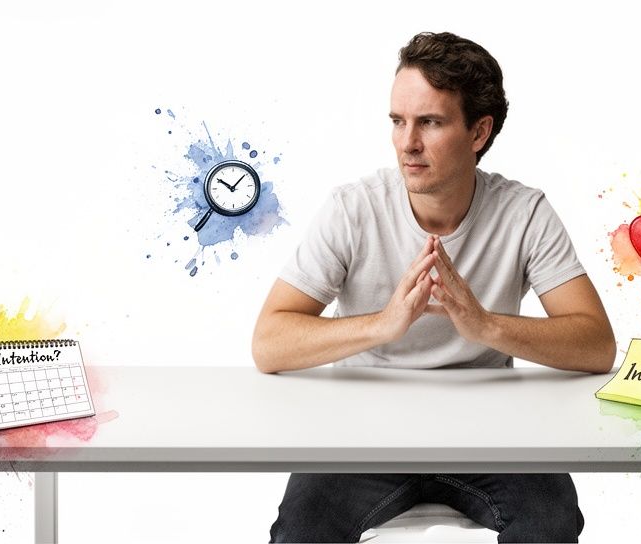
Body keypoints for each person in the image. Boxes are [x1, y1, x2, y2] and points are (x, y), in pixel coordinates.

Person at [252, 31, 616, 543]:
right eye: (398, 121)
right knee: (302, 530)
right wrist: (383, 325)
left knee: (550, 522)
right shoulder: (353, 209)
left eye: (431, 122)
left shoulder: (524, 212)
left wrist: (484, 325)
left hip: (489, 434)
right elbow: (269, 343)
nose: (408, 143)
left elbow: (597, 346)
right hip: (363, 435)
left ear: (478, 132)